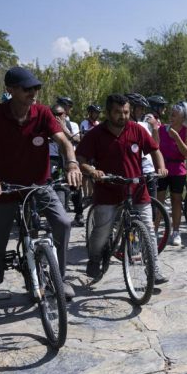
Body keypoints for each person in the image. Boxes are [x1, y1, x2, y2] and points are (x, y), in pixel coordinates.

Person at [0, 66, 82, 317]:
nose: (34, 92)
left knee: (63, 223)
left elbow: (63, 141)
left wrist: (72, 163)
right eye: (27, 88)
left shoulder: (42, 114)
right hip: (3, 188)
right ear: (10, 90)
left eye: (36, 88)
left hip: (38, 185)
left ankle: (58, 277)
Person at [76, 94, 170, 284]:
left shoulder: (137, 130)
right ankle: (95, 259)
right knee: (101, 234)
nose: (123, 116)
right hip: (107, 191)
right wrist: (93, 171)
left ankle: (155, 270)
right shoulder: (96, 134)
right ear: (108, 113)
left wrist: (160, 167)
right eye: (118, 112)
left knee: (149, 230)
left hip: (137, 188)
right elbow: (81, 160)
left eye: (126, 112)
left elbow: (154, 149)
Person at [156, 102, 187, 246]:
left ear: (182, 116)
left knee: (176, 200)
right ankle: (154, 230)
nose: (170, 116)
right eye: (170, 113)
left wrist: (177, 137)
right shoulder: (162, 129)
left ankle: (176, 231)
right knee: (159, 199)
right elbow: (155, 147)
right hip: (162, 168)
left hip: (178, 169)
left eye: (174, 114)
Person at [127, 93, 161, 197]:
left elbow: (155, 146)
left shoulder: (143, 126)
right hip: (132, 173)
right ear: (131, 108)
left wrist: (155, 128)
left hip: (148, 171)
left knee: (152, 208)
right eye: (141, 108)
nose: (143, 112)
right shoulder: (121, 128)